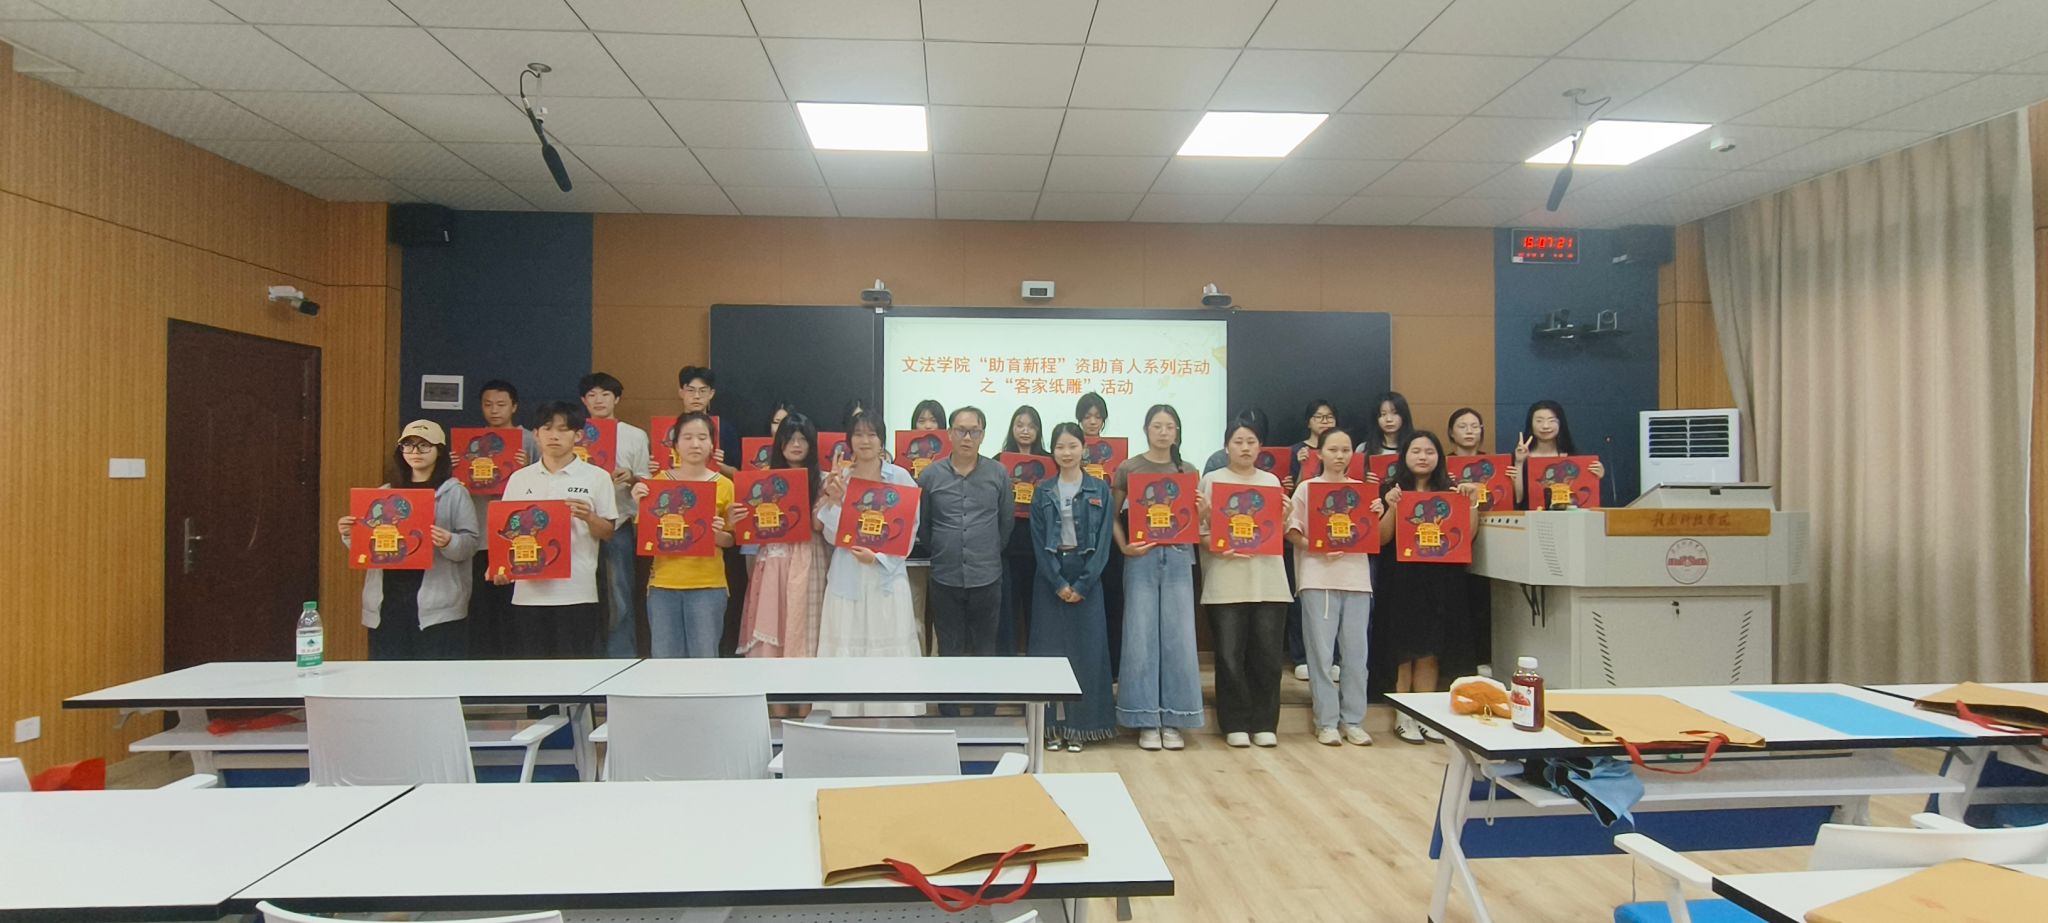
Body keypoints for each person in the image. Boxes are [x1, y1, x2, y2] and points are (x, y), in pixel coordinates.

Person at [337, 421, 480, 661]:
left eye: (424, 446)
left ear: (439, 451)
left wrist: (449, 541)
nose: (415, 452)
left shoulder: (454, 492)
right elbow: (368, 550)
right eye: (408, 445)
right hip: (388, 598)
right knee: (389, 672)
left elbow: (471, 543)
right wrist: (350, 535)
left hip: (436, 603)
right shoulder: (384, 493)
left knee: (435, 674)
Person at [1376, 430, 1483, 744]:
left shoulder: (1451, 492)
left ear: (1439, 457)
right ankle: (1403, 715)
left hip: (1439, 579)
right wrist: (1393, 507)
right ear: (1405, 456)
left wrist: (1471, 504)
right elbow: (1381, 538)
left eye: (1429, 451)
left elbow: (1468, 536)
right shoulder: (1390, 489)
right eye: (1416, 451)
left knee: (1430, 650)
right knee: (1402, 649)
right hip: (1400, 578)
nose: (1422, 457)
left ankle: (1424, 716)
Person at [815, 409, 923, 717]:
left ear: (882, 440)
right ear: (849, 440)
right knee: (846, 649)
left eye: (872, 434)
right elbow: (832, 536)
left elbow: (909, 530)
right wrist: (835, 500)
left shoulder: (900, 477)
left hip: (885, 578)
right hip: (847, 577)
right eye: (859, 434)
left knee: (887, 650)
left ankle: (891, 720)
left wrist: (878, 558)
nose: (865, 440)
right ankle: (844, 719)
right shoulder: (840, 478)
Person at [494, 401, 620, 659]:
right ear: (535, 434)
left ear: (578, 435)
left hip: (577, 591)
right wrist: (498, 566)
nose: (554, 436)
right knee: (534, 669)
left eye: (563, 429)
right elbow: (505, 531)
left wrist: (588, 516)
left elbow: (608, 532)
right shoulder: (520, 478)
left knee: (574, 668)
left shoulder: (596, 477)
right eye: (547, 428)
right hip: (528, 593)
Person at [1199, 414, 1294, 749]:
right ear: (1226, 446)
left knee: (1267, 657)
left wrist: (1283, 516)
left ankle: (1265, 722)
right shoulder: (1212, 480)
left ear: (1260, 447)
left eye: (1251, 442)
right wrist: (1218, 545)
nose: (1244, 447)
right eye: (1238, 441)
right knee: (1229, 657)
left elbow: (1281, 533)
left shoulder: (1271, 481)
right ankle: (1235, 722)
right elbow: (1201, 533)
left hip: (1268, 581)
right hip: (1226, 580)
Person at [1112, 404, 1203, 750]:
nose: (1163, 432)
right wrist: (1125, 547)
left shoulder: (1188, 470)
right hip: (1142, 557)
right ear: (1146, 430)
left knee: (1179, 638)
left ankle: (1176, 719)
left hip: (1179, 556)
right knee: (1140, 636)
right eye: (1157, 426)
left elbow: (1195, 518)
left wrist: (1205, 510)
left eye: (1170, 426)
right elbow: (1112, 515)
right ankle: (1145, 719)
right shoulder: (1129, 467)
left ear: (1177, 432)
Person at [1027, 423, 1116, 751]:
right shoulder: (1043, 491)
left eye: (1072, 446)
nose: (1066, 453)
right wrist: (1058, 582)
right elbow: (1038, 542)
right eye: (1060, 447)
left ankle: (1081, 727)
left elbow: (1104, 543)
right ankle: (1051, 727)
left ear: (1084, 449)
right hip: (1050, 577)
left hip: (1087, 578)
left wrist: (1083, 583)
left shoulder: (1099, 489)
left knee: (1087, 653)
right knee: (1049, 653)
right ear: (1052, 451)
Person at [1285, 428, 1372, 746]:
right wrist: (1315, 546)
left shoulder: (1362, 492)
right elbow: (1291, 530)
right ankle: (1326, 722)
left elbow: (1371, 534)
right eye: (1333, 449)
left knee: (1356, 656)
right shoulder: (1307, 488)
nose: (1339, 455)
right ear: (1319, 453)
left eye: (1346, 450)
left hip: (1356, 580)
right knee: (1321, 656)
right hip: (1317, 578)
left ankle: (1354, 720)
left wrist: (1379, 512)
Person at [632, 414, 735, 658]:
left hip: (708, 585)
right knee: (665, 661)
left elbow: (730, 541)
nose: (695, 444)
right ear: (675, 444)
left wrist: (715, 533)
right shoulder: (657, 484)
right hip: (663, 585)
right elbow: (643, 537)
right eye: (687, 437)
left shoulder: (725, 485)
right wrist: (640, 504)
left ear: (712, 444)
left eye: (702, 437)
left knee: (704, 659)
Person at [917, 407, 1010, 663]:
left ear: (983, 435)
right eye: (961, 430)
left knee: (985, 650)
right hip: (945, 576)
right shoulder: (930, 475)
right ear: (949, 433)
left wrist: (987, 550)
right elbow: (924, 525)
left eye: (974, 431)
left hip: (986, 577)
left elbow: (1006, 523)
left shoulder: (998, 473)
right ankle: (949, 693)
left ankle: (984, 693)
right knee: (949, 650)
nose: (967, 437)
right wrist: (942, 549)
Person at [735, 412, 828, 658]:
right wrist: (739, 517)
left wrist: (829, 498)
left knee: (805, 623)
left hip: (809, 557)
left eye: (802, 439)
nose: (796, 445)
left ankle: (804, 682)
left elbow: (819, 526)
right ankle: (773, 681)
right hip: (773, 558)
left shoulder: (823, 480)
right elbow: (750, 526)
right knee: (771, 618)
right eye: (790, 438)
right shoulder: (762, 480)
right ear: (780, 443)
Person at [465, 379, 539, 659]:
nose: (494, 410)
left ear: (514, 406)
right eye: (488, 405)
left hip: (519, 536)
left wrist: (525, 469)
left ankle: (515, 661)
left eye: (501, 404)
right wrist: (459, 470)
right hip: (482, 534)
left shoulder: (530, 440)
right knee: (483, 607)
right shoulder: (471, 443)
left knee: (515, 606)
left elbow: (544, 484)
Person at [581, 372, 650, 659]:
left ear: (617, 399)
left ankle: (621, 658)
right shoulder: (574, 433)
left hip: (619, 521)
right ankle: (588, 657)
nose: (599, 400)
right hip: (578, 525)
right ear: (583, 400)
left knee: (619, 594)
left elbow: (647, 481)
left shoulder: (635, 435)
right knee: (581, 596)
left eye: (605, 394)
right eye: (592, 395)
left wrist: (631, 477)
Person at [1444, 407, 1506, 679]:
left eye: (1474, 426)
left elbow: (1511, 500)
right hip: (1451, 544)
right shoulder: (1442, 466)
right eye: (1462, 426)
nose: (1469, 431)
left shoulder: (1496, 467)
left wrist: (1514, 480)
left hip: (1491, 539)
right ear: (1451, 432)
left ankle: (1484, 661)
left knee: (1485, 601)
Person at [1286, 399, 1341, 682]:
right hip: (1303, 533)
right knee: (1303, 598)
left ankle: (1333, 658)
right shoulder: (1296, 451)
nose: (1324, 421)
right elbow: (1291, 494)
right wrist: (1299, 467)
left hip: (1339, 536)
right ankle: (1301, 657)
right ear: (1308, 421)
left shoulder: (1345, 451)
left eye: (1329, 416)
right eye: (1319, 417)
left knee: (1338, 603)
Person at [1076, 390, 1122, 677]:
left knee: (1112, 601)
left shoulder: (1116, 455)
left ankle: (1112, 667)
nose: (1092, 421)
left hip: (1110, 536)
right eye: (1087, 416)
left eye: (1097, 416)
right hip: (1078, 538)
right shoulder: (1070, 451)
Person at [998, 405, 1049, 654]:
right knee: (1006, 610)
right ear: (1012, 428)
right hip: (1007, 545)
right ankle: (1005, 663)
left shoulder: (1050, 462)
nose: (1025, 430)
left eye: (1031, 426)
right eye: (1020, 425)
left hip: (1038, 546)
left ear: (1038, 430)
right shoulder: (998, 462)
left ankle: (1037, 660)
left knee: (1037, 610)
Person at [905, 398, 945, 651]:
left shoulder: (953, 462)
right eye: (922, 420)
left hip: (942, 545)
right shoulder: (900, 462)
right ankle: (916, 662)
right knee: (914, 610)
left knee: (943, 614)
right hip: (912, 548)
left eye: (933, 420)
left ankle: (939, 662)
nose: (928, 425)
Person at [1512, 399, 1606, 503]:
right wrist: (1519, 462)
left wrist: (1596, 476)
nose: (1545, 426)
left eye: (1552, 420)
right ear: (1531, 424)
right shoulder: (1519, 458)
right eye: (1539, 421)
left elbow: (1585, 495)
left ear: (1561, 424)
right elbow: (1518, 499)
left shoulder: (1573, 458)